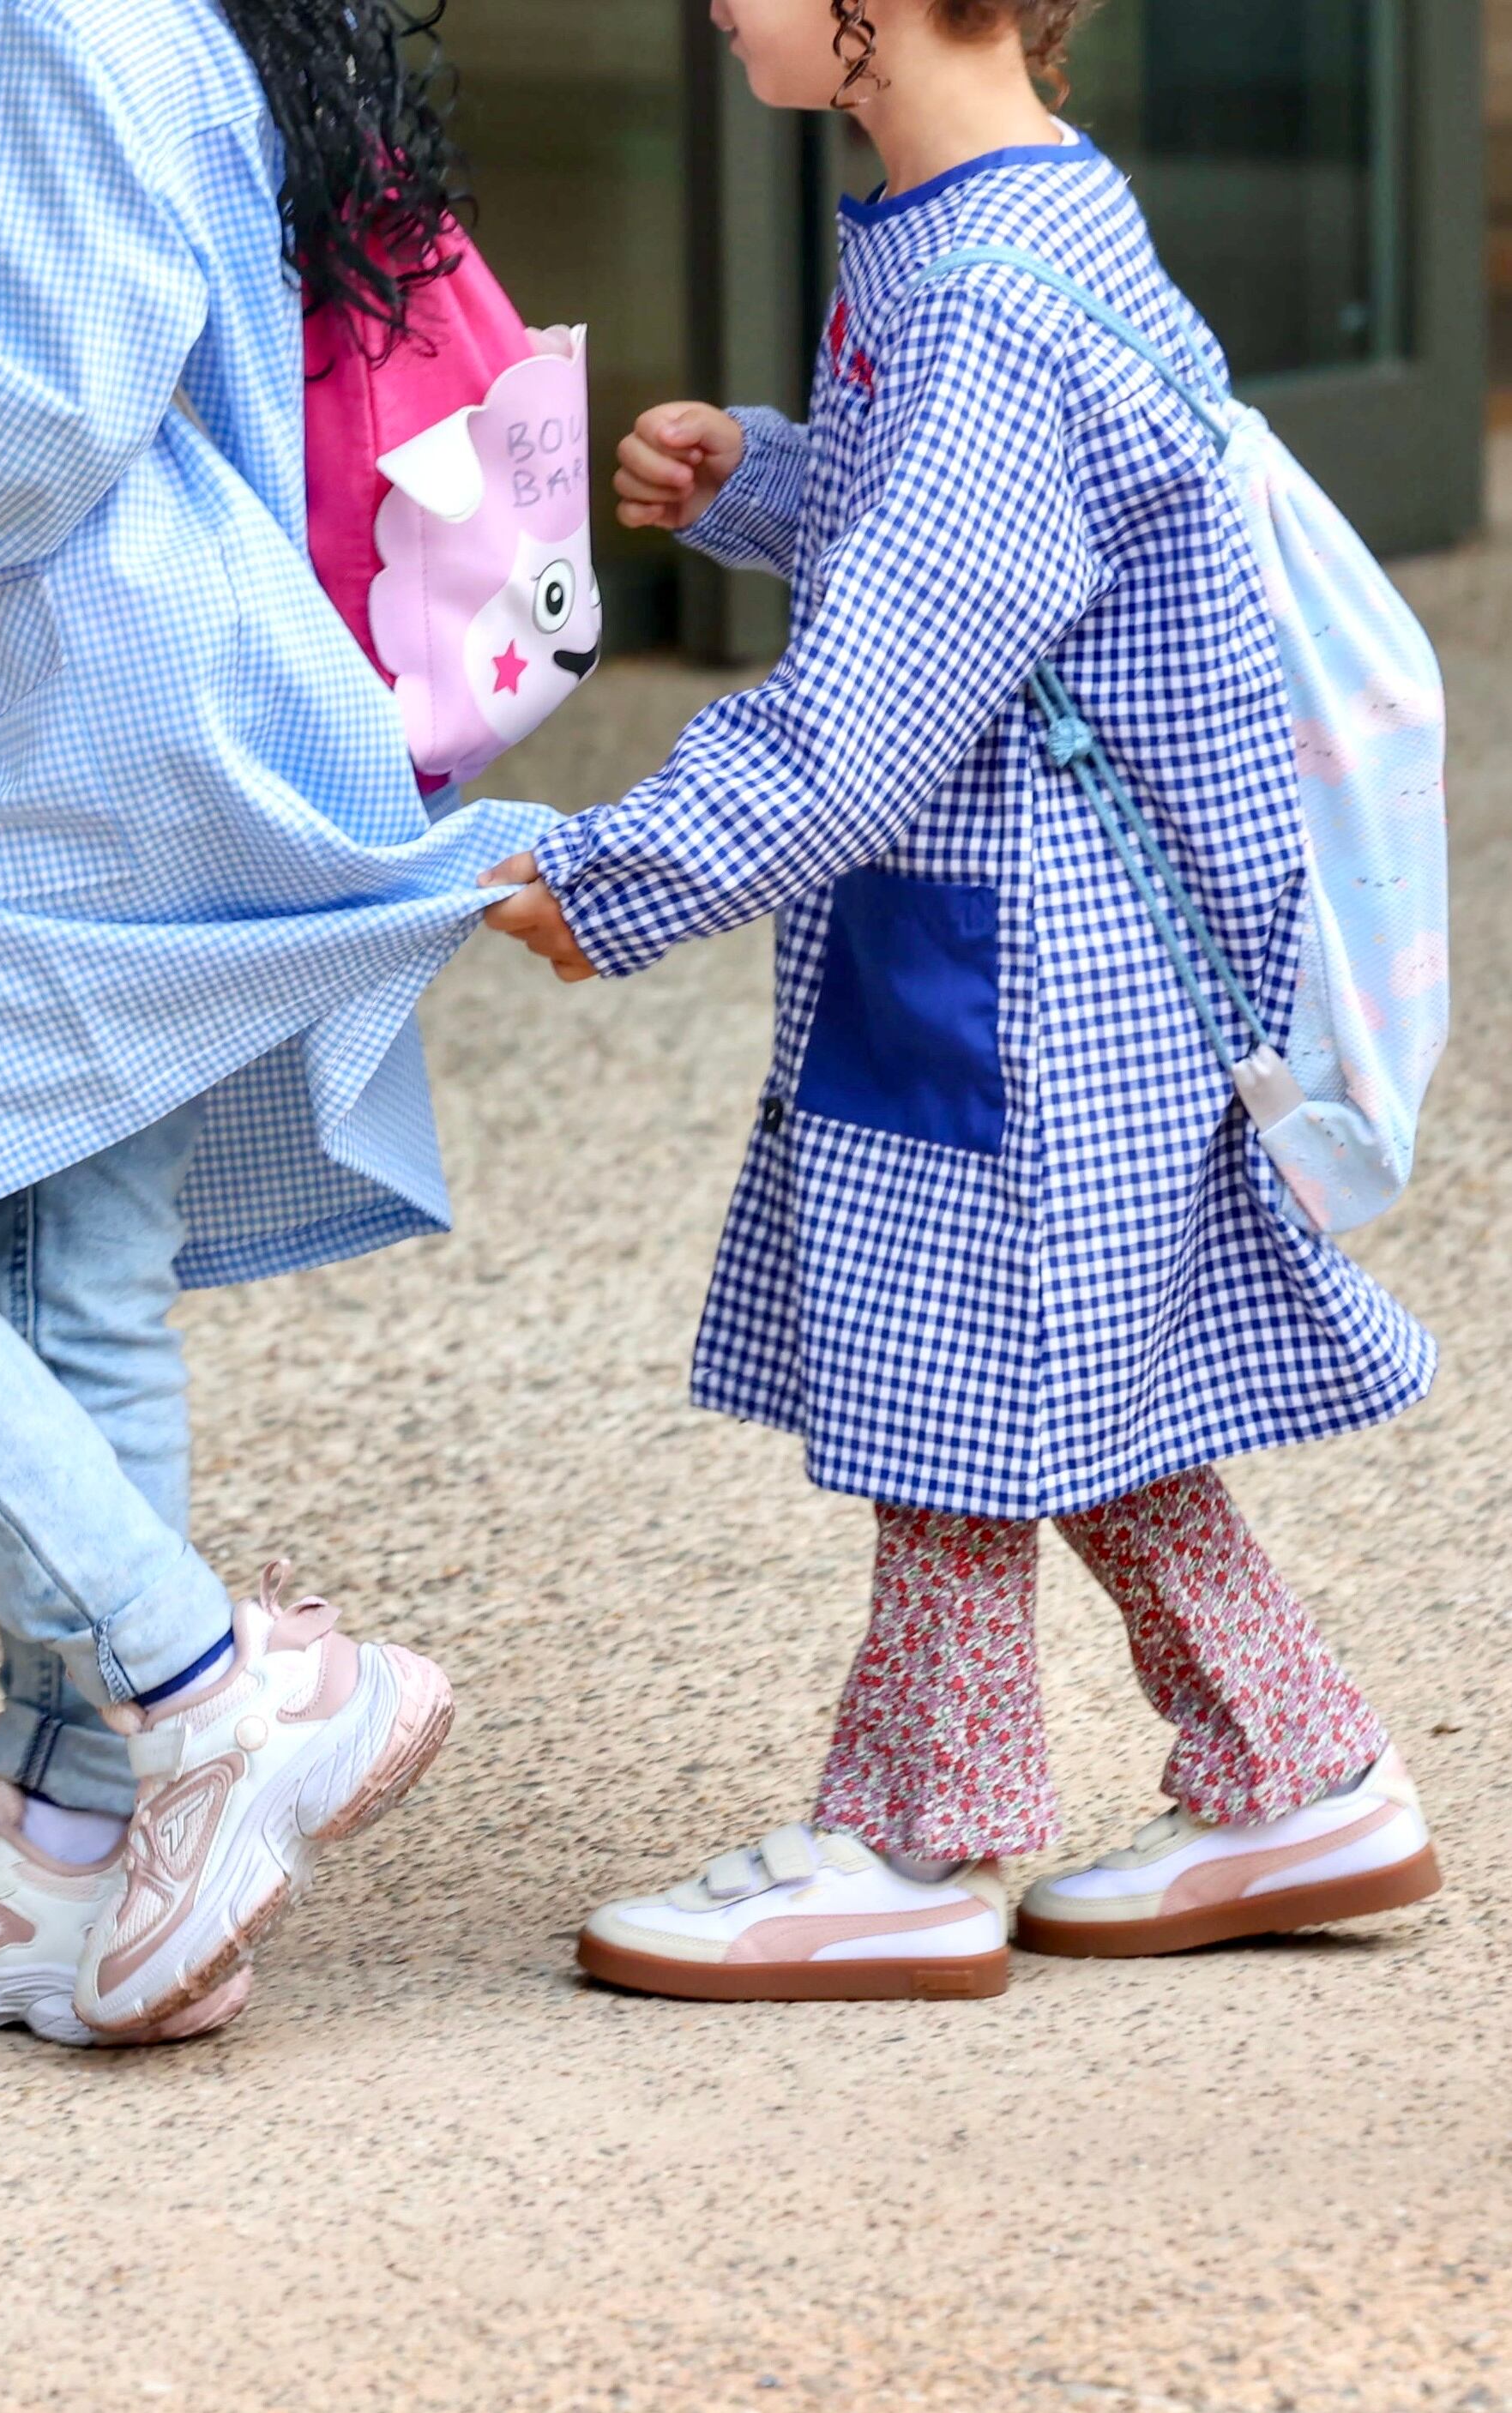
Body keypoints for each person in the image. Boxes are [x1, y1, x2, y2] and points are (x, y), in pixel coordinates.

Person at [481, 0, 1444, 2001]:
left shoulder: (986, 295)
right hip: (1042, 935)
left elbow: (873, 707)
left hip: (1016, 954)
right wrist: (767, 479)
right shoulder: (998, 224)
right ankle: (1291, 1766)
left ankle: (917, 1843)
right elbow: (988, 550)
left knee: (959, 1378)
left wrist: (609, 875)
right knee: (1061, 1372)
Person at [0, 0, 558, 2048]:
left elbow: (4, 428)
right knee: (73, 1271)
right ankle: (59, 1858)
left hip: (89, 735)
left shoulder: (54, 12)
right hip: (183, 700)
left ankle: (221, 1692)